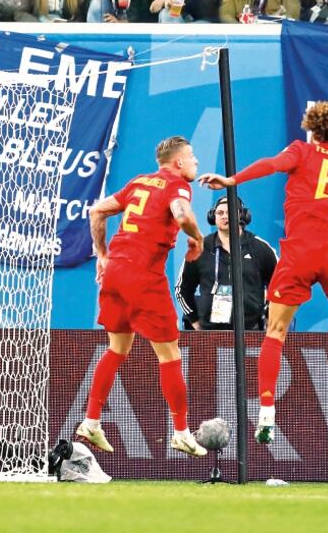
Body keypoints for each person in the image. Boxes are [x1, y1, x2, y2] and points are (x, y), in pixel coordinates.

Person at [198, 101, 328, 449]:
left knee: (276, 331)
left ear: (314, 128)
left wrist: (232, 180)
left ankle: (266, 413)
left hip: (301, 252)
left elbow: (271, 165)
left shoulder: (302, 151)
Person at [75, 135, 208, 458]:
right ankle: (181, 432)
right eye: (192, 157)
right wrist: (197, 238)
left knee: (117, 349)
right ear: (178, 162)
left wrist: (103, 256)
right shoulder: (177, 185)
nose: (196, 162)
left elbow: (97, 211)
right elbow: (182, 214)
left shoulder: (139, 181)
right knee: (170, 355)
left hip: (116, 271)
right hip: (143, 275)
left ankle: (91, 421)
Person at [176, 196, 278, 331]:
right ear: (213, 217)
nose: (225, 216)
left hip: (251, 331)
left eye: (230, 212)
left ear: (243, 215)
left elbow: (282, 284)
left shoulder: (260, 248)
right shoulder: (200, 247)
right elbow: (181, 289)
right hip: (209, 333)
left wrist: (271, 317)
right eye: (220, 213)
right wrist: (194, 321)